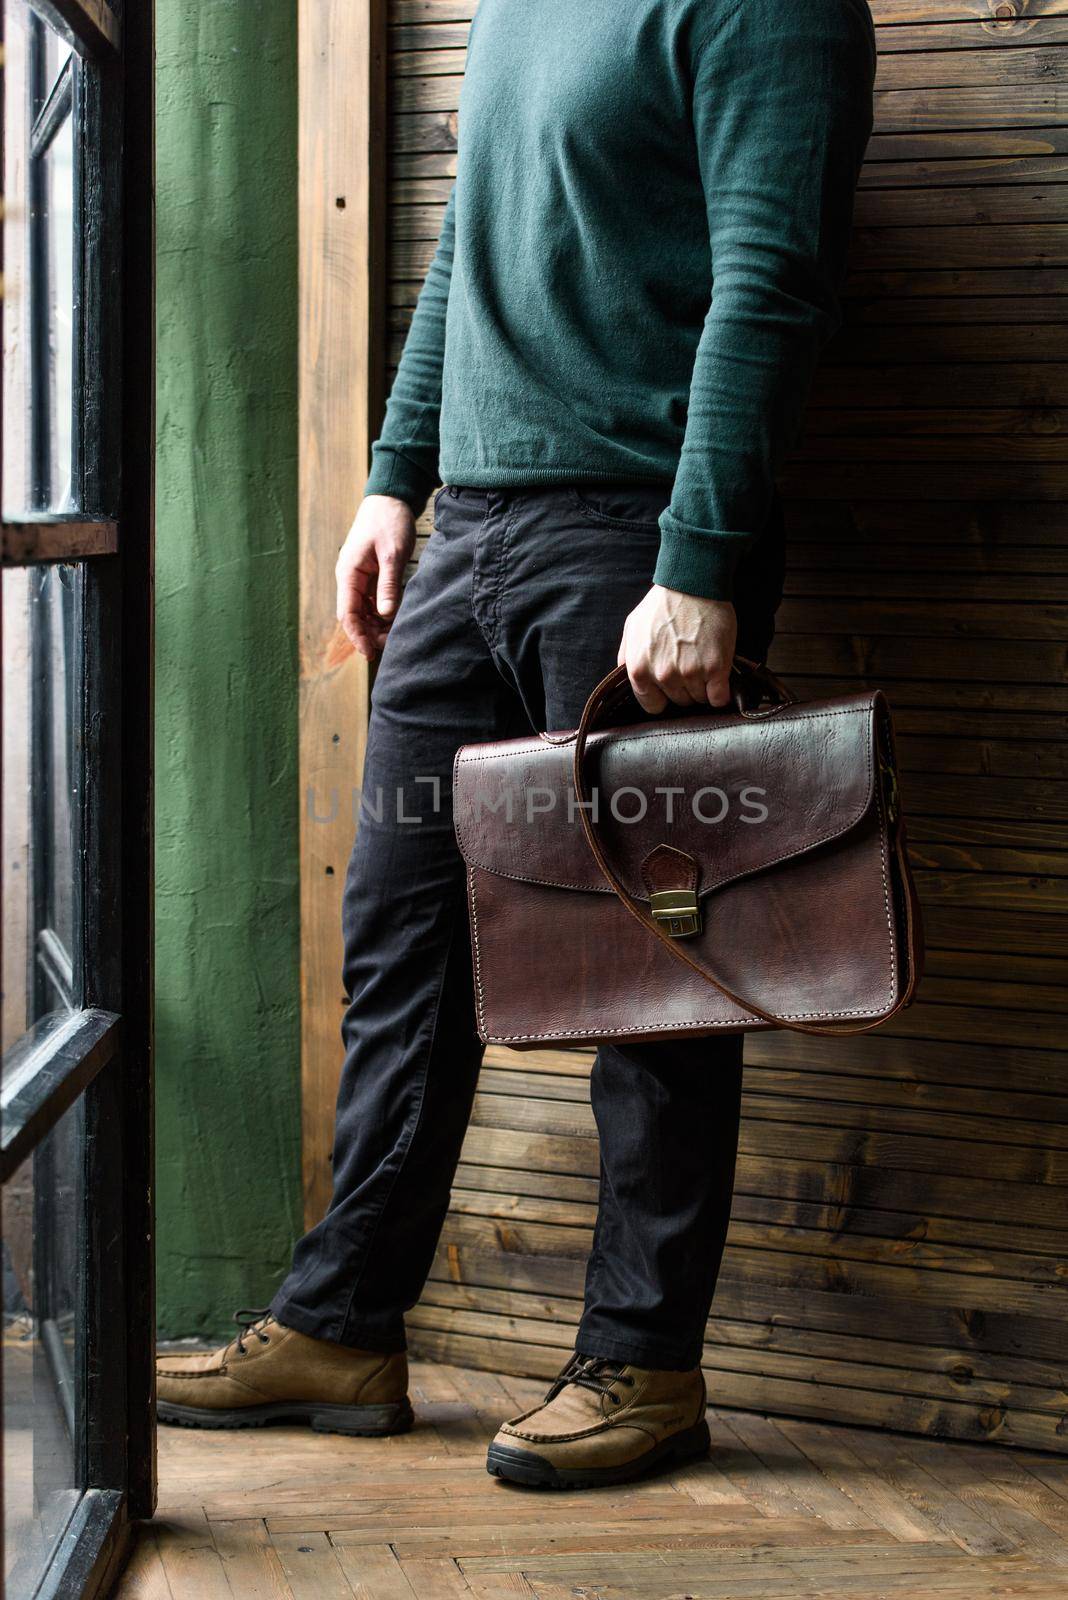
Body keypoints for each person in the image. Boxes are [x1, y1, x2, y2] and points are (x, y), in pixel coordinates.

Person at [157, 0, 876, 1488]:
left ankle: (642, 1364)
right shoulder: (521, 10)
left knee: (654, 979)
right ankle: (345, 1322)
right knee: (399, 933)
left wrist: (705, 558)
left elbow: (772, 282)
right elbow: (463, 258)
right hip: (470, 537)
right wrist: (394, 476)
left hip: (632, 542)